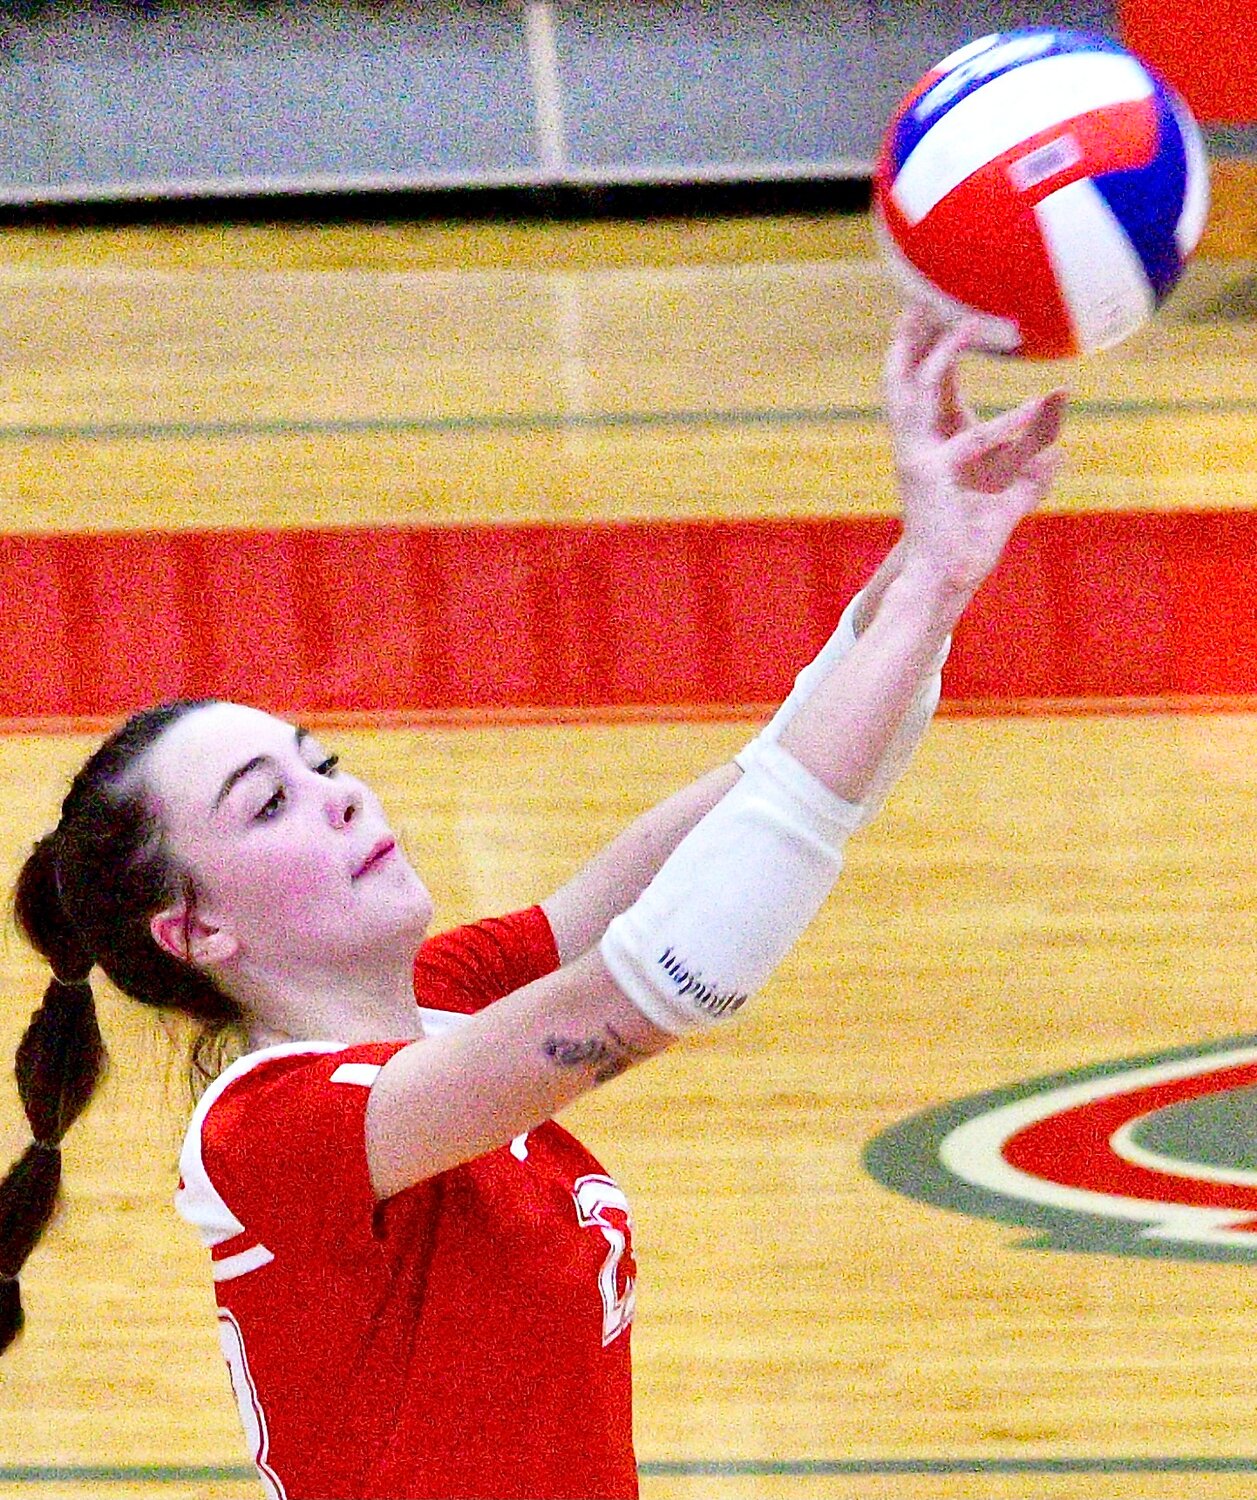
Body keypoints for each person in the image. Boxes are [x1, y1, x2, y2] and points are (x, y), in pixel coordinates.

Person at [0, 306, 1065, 1500]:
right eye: (268, 805)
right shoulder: (271, 1133)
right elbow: (660, 979)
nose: (339, 799)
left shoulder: (443, 999)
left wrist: (930, 579)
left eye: (322, 764)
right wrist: (924, 590)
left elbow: (771, 783)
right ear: (196, 933)